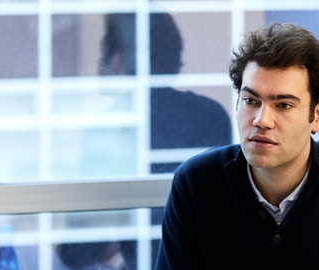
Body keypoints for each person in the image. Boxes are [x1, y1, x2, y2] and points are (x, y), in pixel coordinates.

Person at [91, 21, 319, 270]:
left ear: (318, 116)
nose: (261, 119)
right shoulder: (198, 182)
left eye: (283, 105)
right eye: (251, 100)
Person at [99, 12, 232, 172]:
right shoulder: (211, 115)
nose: (101, 62)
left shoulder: (108, 127)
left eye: (104, 51)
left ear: (116, 59)